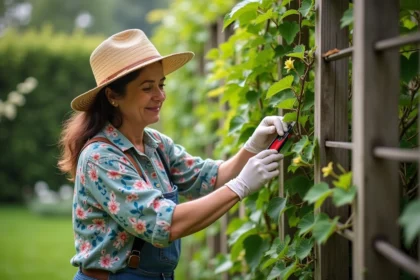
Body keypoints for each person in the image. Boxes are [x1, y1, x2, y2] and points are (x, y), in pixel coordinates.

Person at [58, 29, 287, 280]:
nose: (160, 96)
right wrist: (241, 186)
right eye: (147, 88)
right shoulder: (100, 157)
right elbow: (164, 222)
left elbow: (209, 178)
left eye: (161, 84)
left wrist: (253, 145)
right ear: (113, 96)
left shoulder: (156, 144)